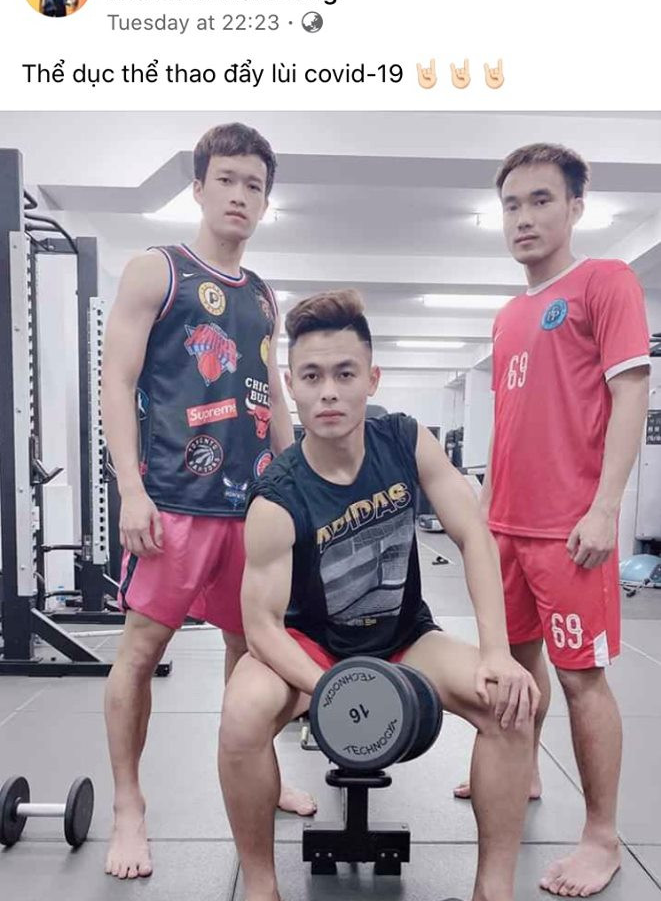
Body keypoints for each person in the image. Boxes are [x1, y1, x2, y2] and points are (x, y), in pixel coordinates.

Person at [219, 289, 541, 901]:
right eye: (312, 376)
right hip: (309, 647)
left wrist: (498, 653)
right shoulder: (277, 497)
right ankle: (261, 888)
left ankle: (493, 890)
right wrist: (334, 689)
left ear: (372, 378)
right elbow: (260, 627)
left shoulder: (404, 441)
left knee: (509, 704)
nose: (329, 392)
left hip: (403, 639)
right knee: (240, 713)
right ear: (291, 386)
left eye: (345, 374)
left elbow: (474, 535)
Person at [101, 123, 315, 881]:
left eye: (254, 185)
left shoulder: (262, 295)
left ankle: (258, 776)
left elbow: (274, 402)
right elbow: (117, 382)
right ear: (198, 187)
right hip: (173, 503)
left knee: (253, 651)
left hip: (251, 511)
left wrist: (299, 489)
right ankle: (129, 806)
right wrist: (130, 489)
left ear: (265, 200)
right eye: (226, 179)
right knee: (140, 652)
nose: (239, 195)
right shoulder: (156, 271)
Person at [453, 143, 650, 897]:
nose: (524, 218)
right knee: (514, 662)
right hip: (505, 526)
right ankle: (524, 768)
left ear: (575, 207)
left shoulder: (605, 281)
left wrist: (605, 509)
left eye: (541, 200)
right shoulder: (508, 315)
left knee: (580, 681)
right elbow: (511, 421)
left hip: (570, 532)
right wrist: (483, 512)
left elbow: (629, 396)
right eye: (512, 205)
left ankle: (601, 835)